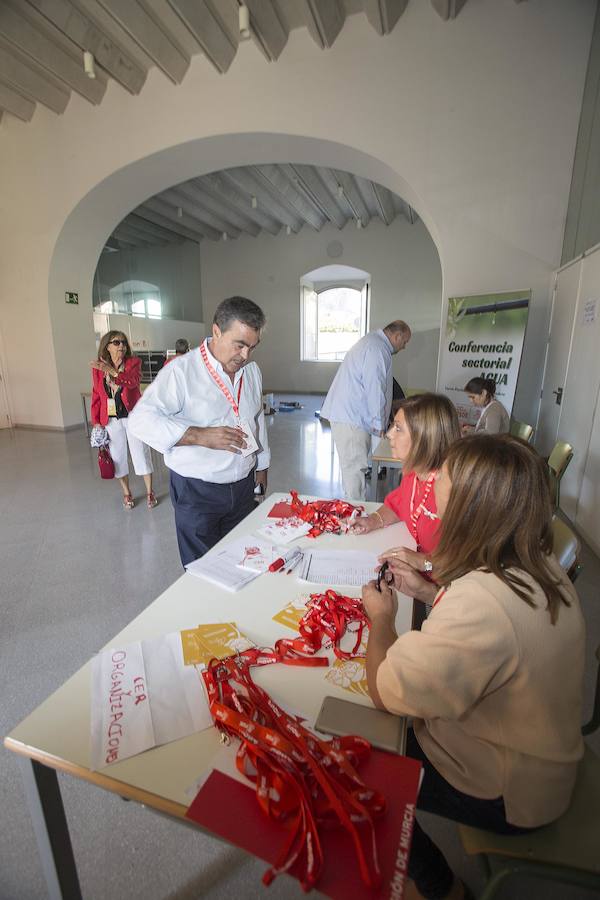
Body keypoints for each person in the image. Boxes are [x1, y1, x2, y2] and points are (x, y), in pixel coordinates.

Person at [362, 434, 585, 900]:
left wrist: (382, 620)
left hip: (511, 793)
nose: (434, 475)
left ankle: (440, 888)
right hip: (537, 754)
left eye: (444, 473)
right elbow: (497, 635)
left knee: (357, 761)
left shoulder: (482, 601)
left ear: (469, 505)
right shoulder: (535, 562)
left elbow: (385, 689)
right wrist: (426, 593)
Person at [128, 297, 270, 566]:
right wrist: (199, 435)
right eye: (239, 345)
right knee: (203, 571)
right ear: (217, 331)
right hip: (197, 492)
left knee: (242, 563)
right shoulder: (181, 372)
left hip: (242, 487)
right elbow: (140, 421)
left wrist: (262, 466)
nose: (246, 356)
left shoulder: (251, 371)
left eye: (253, 347)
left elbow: (256, 419)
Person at [351, 393, 460, 579]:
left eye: (398, 428)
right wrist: (373, 520)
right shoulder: (413, 473)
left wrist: (422, 562)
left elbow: (466, 563)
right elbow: (399, 504)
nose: (389, 434)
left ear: (425, 438)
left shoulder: (449, 489)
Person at [321, 321, 411, 501]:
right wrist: (379, 425)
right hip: (351, 419)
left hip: (354, 416)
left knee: (356, 468)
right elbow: (374, 388)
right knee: (354, 470)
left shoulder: (375, 344)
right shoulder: (376, 348)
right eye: (405, 341)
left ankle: (356, 510)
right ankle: (354, 515)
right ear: (397, 336)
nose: (404, 347)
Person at [90, 331, 157, 510]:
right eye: (117, 342)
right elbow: (97, 395)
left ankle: (150, 491)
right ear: (107, 346)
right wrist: (96, 420)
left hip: (132, 416)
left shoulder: (133, 363)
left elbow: (132, 382)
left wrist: (112, 372)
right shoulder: (97, 368)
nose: (121, 346)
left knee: (140, 454)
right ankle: (127, 493)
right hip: (111, 419)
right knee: (118, 457)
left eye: (124, 343)